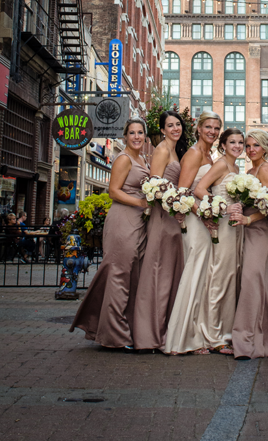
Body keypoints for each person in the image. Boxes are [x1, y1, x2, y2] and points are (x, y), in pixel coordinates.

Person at [70, 118, 149, 349]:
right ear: (124, 136)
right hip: (122, 220)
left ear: (145, 136)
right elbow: (114, 191)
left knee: (130, 275)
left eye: (140, 132)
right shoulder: (123, 158)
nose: (136, 136)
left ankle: (111, 326)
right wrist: (141, 202)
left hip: (137, 220)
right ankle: (114, 336)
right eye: (132, 132)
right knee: (119, 275)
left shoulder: (141, 158)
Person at [164, 111, 222, 355]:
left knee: (203, 277)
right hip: (195, 222)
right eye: (208, 127)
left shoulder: (210, 154)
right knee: (194, 274)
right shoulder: (194, 153)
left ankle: (196, 334)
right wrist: (204, 215)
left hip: (204, 221)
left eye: (216, 128)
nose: (212, 131)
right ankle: (182, 339)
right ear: (198, 128)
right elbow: (182, 191)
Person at [133, 111, 188, 352]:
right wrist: (174, 203)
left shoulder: (175, 150)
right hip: (162, 216)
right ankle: (149, 334)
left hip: (173, 218)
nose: (175, 128)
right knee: (157, 271)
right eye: (170, 125)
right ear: (162, 130)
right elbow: (154, 186)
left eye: (178, 124)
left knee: (168, 272)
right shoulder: (162, 150)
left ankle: (164, 328)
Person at [230, 130, 268, 358]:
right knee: (257, 279)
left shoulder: (264, 169)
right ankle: (266, 335)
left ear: (265, 148)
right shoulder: (250, 170)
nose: (251, 150)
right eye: (248, 146)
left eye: (256, 146)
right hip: (248, 230)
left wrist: (249, 218)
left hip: (261, 230)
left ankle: (246, 338)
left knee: (252, 278)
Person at [192, 127, 244, 355]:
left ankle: (225, 331)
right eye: (232, 142)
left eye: (240, 142)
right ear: (223, 144)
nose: (238, 146)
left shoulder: (236, 166)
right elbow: (199, 188)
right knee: (219, 277)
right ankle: (213, 335)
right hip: (222, 227)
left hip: (235, 229)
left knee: (230, 277)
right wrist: (222, 206)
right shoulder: (221, 164)